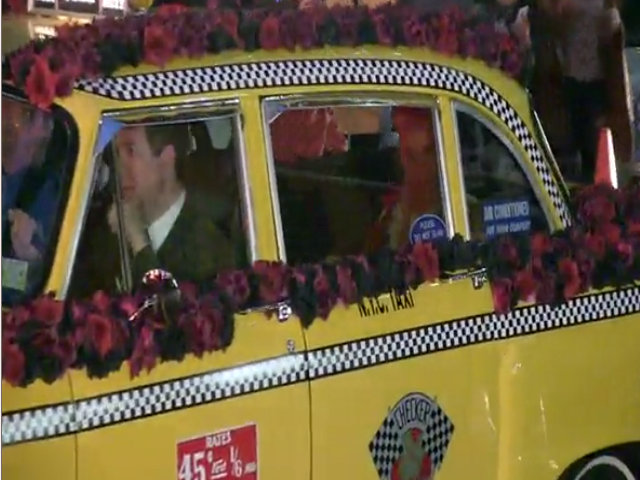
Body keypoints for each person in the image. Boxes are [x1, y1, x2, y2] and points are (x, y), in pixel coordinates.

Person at [107, 123, 236, 286]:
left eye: (131, 151)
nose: (119, 168)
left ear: (167, 158)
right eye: (117, 155)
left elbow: (168, 308)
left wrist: (138, 241)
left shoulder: (210, 246)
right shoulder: (109, 234)